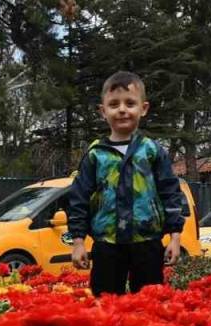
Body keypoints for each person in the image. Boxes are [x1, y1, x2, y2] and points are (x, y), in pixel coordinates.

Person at [68, 71, 186, 296]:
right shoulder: (95, 154)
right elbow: (78, 199)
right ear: (103, 111)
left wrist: (175, 237)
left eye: (130, 103)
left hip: (148, 241)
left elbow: (170, 192)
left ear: (143, 108)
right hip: (106, 244)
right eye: (114, 104)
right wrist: (78, 242)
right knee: (105, 303)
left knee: (150, 303)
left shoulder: (151, 150)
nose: (122, 109)